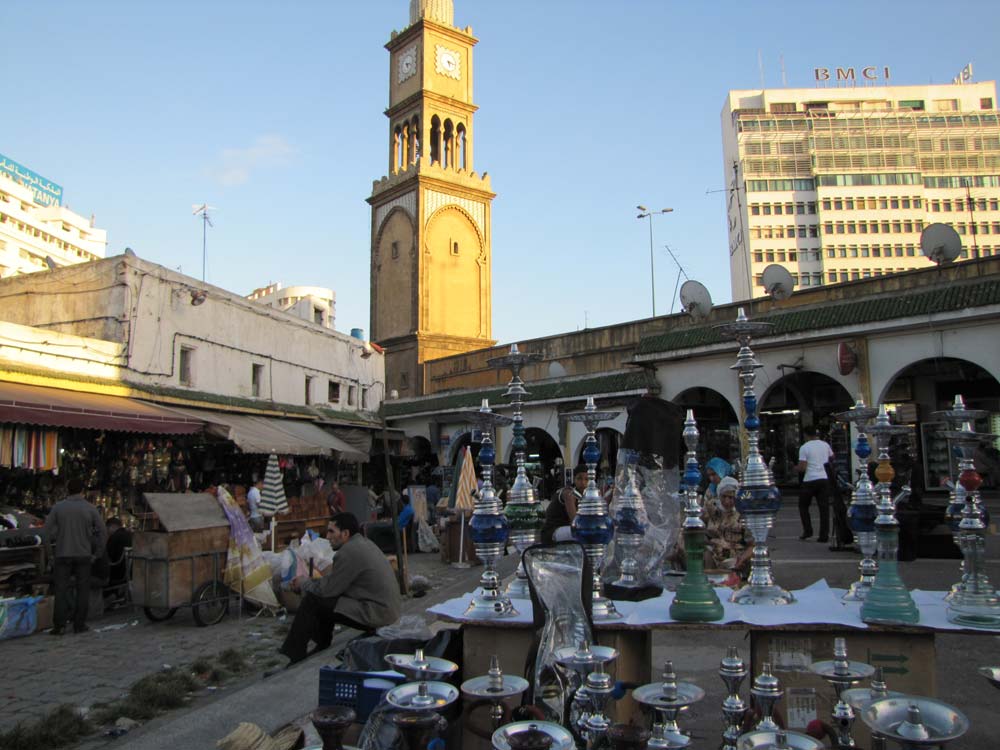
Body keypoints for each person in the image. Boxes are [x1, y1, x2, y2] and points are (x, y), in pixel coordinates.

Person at [278, 512, 401, 665]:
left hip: (378, 614)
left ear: (345, 533)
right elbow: (334, 582)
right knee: (322, 598)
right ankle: (321, 644)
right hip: (387, 610)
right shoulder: (362, 544)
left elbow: (328, 590)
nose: (328, 537)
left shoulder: (348, 552)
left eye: (331, 531)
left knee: (314, 600)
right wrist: (311, 583)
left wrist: (303, 583)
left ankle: (294, 654)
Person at [44, 478, 107, 635]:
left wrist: (50, 554)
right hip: (83, 555)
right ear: (82, 491)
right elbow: (103, 531)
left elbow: (45, 532)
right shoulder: (90, 508)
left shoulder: (58, 508)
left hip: (62, 554)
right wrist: (97, 553)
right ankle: (79, 624)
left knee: (61, 590)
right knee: (82, 590)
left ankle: (59, 625)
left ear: (67, 490)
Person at [705, 477, 752, 575]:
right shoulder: (711, 510)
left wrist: (742, 559)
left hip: (735, 558)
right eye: (724, 497)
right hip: (713, 554)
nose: (727, 501)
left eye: (731, 497)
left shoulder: (743, 514)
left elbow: (752, 545)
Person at [797, 425, 834, 542]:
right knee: (824, 508)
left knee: (803, 506)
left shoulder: (804, 448)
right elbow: (832, 457)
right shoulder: (825, 445)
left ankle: (808, 531)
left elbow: (802, 467)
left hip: (809, 479)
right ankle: (824, 535)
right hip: (824, 478)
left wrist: (796, 468)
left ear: (806, 435)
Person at [541, 465, 587, 543]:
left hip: (564, 529)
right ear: (574, 479)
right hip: (552, 532)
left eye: (586, 479)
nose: (583, 482)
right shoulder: (568, 493)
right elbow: (575, 521)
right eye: (579, 478)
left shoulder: (583, 496)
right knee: (584, 533)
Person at [105, 517, 133, 593]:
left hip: (117, 572)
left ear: (112, 527)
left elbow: (108, 557)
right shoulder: (130, 535)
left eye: (107, 529)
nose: (107, 532)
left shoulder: (114, 537)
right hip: (129, 572)